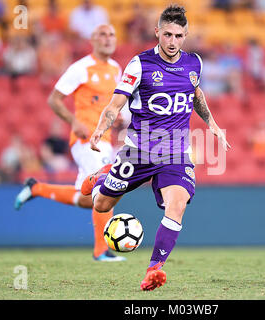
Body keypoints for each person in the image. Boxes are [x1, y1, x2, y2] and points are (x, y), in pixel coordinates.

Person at [81, 5, 230, 291]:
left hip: (176, 152)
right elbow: (115, 103)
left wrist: (210, 121)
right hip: (138, 152)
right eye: (167, 35)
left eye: (178, 36)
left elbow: (195, 94)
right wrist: (102, 127)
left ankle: (154, 269)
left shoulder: (194, 63)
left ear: (185, 35)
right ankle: (104, 175)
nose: (172, 41)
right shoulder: (140, 65)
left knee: (177, 205)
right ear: (157, 33)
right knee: (101, 204)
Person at [14, 25, 128, 262]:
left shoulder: (116, 69)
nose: (108, 39)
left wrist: (120, 119)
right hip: (86, 139)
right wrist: (73, 121)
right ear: (92, 40)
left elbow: (113, 103)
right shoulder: (80, 68)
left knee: (88, 199)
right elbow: (54, 100)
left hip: (105, 139)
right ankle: (101, 251)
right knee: (106, 186)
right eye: (102, 35)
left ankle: (37, 188)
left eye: (111, 35)